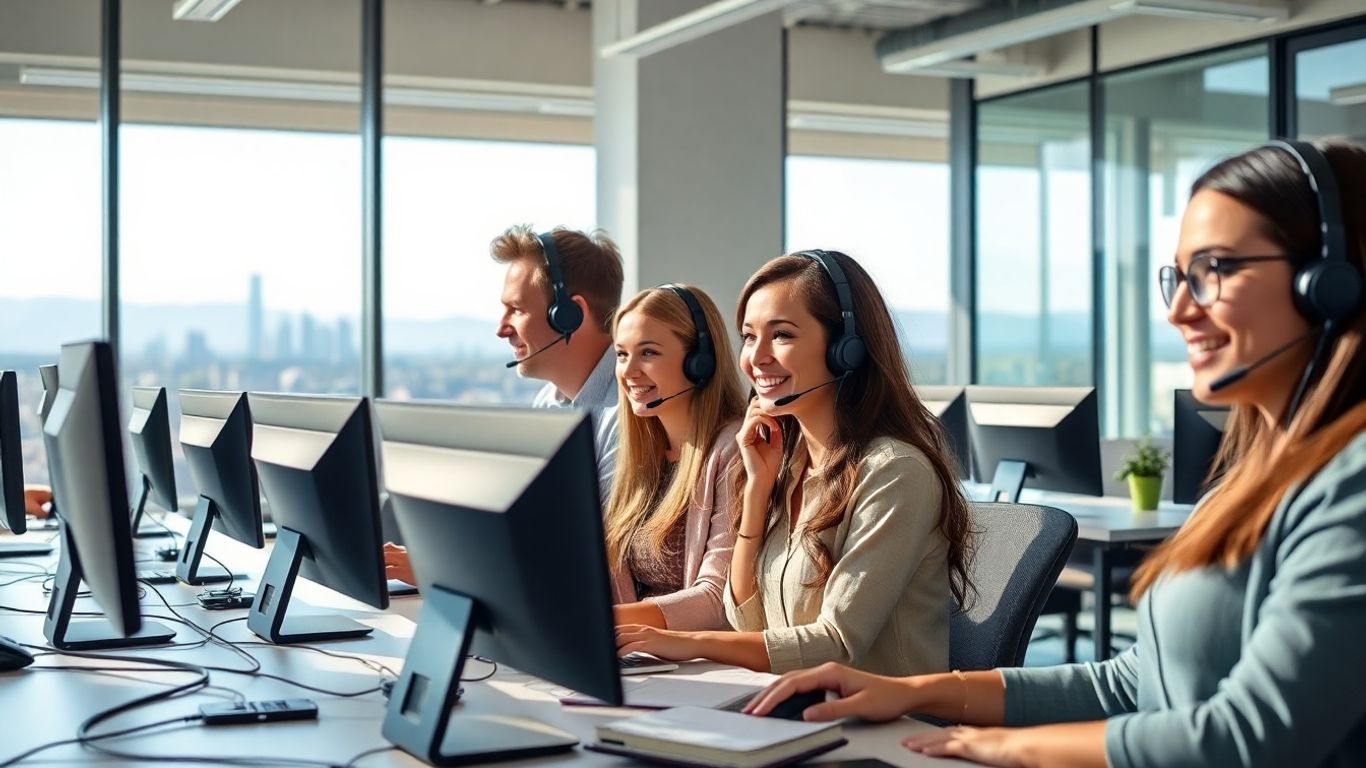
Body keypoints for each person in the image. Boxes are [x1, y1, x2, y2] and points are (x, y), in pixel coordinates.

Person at [744, 140, 1366, 768]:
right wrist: (913, 692)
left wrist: (1001, 749)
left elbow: (1252, 738)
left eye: (1216, 269)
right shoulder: (1245, 487)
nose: (1178, 310)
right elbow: (1128, 683)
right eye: (1177, 277)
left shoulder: (1355, 484)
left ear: (1331, 283)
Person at [616, 250, 973, 675]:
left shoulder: (895, 473)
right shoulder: (788, 465)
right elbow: (746, 619)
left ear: (846, 349)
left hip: (881, 726)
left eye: (781, 335)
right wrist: (757, 491)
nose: (756, 357)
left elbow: (837, 644)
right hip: (791, 706)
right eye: (749, 337)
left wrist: (681, 642)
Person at [384, 225, 625, 586]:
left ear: (570, 315)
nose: (501, 329)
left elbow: (589, 557)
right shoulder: (550, 402)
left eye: (516, 310)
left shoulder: (626, 415)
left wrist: (446, 569)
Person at [606, 284, 745, 630]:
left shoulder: (736, 449)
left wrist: (602, 622)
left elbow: (717, 598)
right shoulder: (642, 456)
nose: (629, 370)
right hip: (645, 659)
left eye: (648, 353)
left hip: (702, 665)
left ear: (700, 362)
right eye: (622, 355)